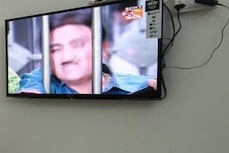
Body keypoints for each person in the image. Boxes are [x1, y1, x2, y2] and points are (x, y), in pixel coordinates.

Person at [17, 9, 156, 95]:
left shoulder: (142, 86)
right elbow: (33, 79)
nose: (67, 57)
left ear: (103, 48)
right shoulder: (42, 83)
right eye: (55, 49)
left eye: (77, 45)